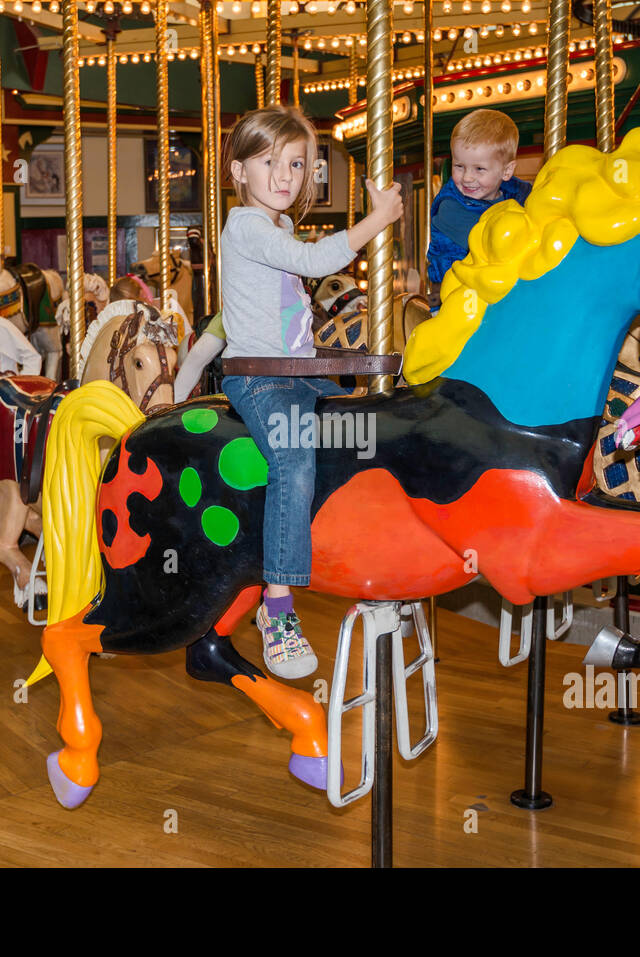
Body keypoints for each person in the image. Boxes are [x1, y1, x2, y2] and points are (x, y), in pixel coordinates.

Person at [219, 104, 403, 680]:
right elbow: (314, 261)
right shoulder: (246, 225)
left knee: (370, 433)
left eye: (296, 165)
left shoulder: (279, 225)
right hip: (259, 379)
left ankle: (366, 564)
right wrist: (378, 220)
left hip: (297, 372)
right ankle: (277, 607)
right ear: (237, 172)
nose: (284, 175)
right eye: (269, 162)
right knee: (295, 459)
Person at [426, 109, 532, 291]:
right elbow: (492, 242)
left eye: (479, 169)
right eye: (459, 166)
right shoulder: (451, 207)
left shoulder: (516, 193)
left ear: (506, 171)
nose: (467, 177)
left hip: (491, 287)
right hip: (455, 294)